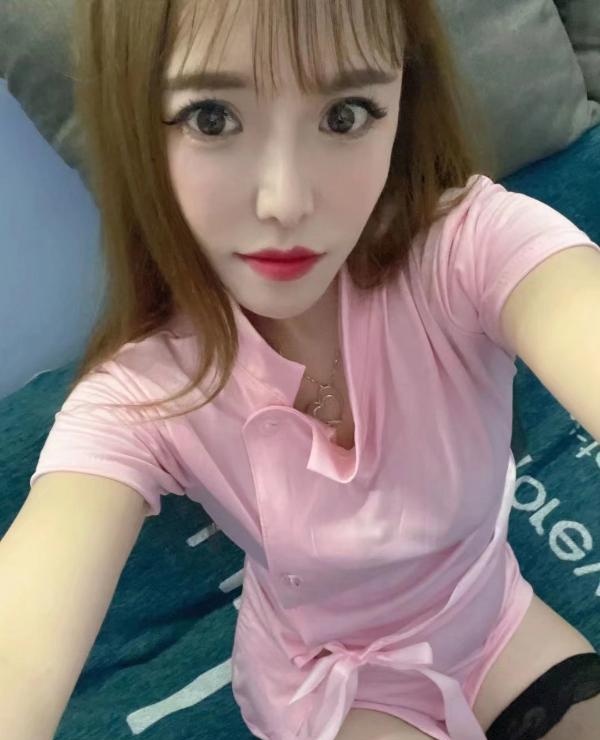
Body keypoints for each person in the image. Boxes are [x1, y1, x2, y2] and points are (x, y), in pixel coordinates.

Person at [4, 1, 600, 739]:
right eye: (213, 118)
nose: (285, 201)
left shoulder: (471, 248)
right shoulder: (146, 393)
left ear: (402, 104)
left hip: (491, 613)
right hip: (334, 679)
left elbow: (569, 302)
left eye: (345, 115)